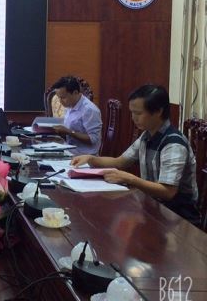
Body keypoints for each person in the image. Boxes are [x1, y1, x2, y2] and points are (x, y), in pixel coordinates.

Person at [72, 85, 200, 225]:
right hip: (153, 207)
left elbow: (168, 191)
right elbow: (120, 162)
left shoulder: (174, 144)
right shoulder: (147, 135)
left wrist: (130, 179)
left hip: (178, 218)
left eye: (138, 113)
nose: (133, 118)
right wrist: (91, 159)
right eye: (132, 113)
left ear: (158, 111)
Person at [50, 76, 102, 155]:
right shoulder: (70, 105)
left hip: (84, 156)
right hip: (69, 150)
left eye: (63, 98)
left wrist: (69, 132)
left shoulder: (89, 110)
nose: (60, 101)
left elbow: (93, 139)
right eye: (59, 98)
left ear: (75, 93)